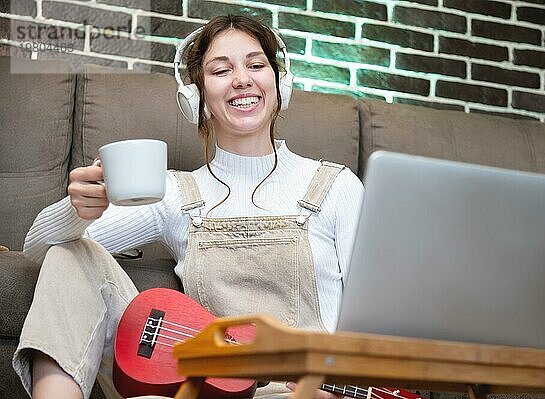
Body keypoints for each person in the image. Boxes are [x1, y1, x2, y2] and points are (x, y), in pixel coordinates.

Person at [12, 14, 363, 399]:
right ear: (195, 98)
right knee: (71, 253)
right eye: (220, 70)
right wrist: (78, 209)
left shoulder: (335, 186)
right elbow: (39, 250)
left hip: (307, 392)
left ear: (280, 85)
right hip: (204, 388)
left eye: (256, 64)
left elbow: (376, 320)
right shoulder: (175, 193)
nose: (242, 79)